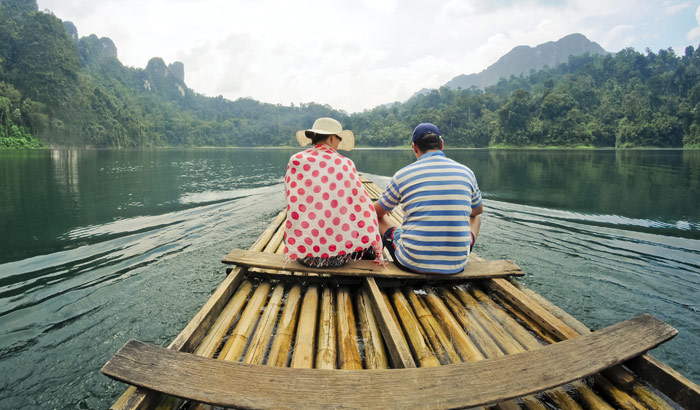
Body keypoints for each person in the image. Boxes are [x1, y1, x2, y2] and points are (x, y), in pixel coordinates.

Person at [374, 123, 482, 274]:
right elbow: (477, 210)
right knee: (476, 218)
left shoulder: (403, 174)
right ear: (442, 144)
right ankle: (453, 251)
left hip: (412, 261)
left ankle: (375, 254)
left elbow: (374, 212)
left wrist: (382, 211)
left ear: (415, 147)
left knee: (378, 218)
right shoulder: (466, 172)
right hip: (456, 265)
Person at [284, 117, 383, 267]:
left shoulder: (297, 160)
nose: (338, 143)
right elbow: (363, 206)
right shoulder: (346, 163)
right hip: (340, 257)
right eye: (339, 138)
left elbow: (293, 201)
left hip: (305, 256)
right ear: (332, 137)